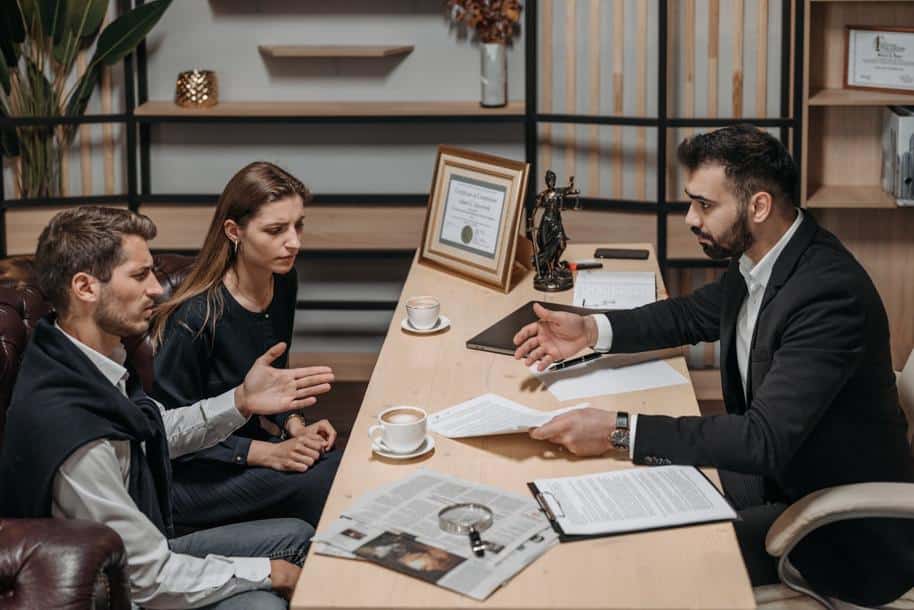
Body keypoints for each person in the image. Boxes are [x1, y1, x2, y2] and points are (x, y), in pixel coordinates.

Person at [513, 125, 914, 607]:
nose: (689, 218)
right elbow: (690, 314)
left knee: (638, 562)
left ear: (758, 206)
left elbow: (761, 439)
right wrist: (591, 331)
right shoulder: (767, 258)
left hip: (841, 534)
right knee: (616, 497)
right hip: (779, 477)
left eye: (705, 205)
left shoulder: (828, 295)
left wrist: (618, 430)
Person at [0, 206, 334, 609]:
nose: (158, 288)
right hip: (115, 589)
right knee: (264, 599)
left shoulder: (77, 355)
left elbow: (151, 429)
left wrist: (240, 401)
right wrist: (267, 572)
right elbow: (147, 579)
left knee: (297, 536)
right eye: (140, 275)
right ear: (86, 288)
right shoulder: (74, 438)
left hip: (145, 545)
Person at [149, 161, 340, 531]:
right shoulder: (195, 317)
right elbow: (165, 436)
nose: (294, 242)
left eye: (298, 225)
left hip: (246, 456)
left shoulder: (283, 280)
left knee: (337, 463)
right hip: (189, 481)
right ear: (234, 231)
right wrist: (268, 454)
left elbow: (271, 383)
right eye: (276, 230)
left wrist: (297, 429)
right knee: (327, 481)